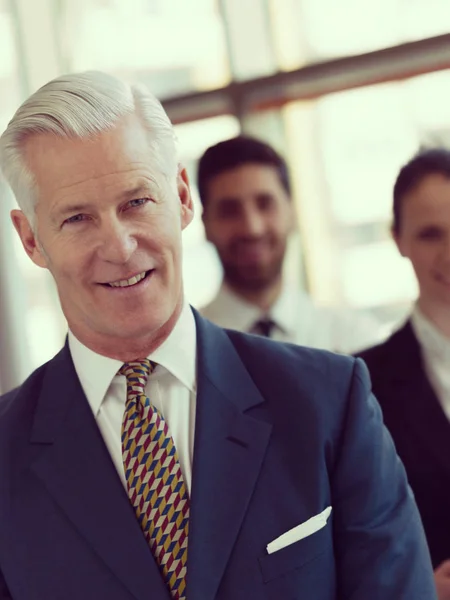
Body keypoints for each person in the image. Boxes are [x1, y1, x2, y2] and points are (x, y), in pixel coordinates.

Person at [0, 72, 436, 600]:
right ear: (31, 239)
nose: (118, 246)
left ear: (181, 197)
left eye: (136, 202)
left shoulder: (327, 401)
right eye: (76, 219)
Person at [359, 148, 450, 600]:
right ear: (399, 239)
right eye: (431, 234)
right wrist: (416, 589)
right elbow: (353, 548)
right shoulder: (362, 387)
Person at [198, 136, 383, 353]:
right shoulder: (187, 351)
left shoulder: (356, 340)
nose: (252, 228)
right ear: (206, 225)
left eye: (265, 204)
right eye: (229, 211)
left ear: (292, 213)